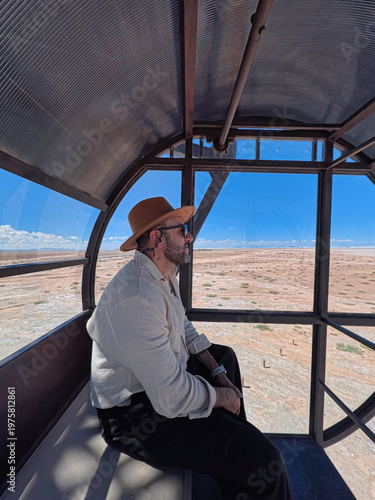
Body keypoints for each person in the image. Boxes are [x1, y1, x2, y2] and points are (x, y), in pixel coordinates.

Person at [87, 196, 293, 499]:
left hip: (155, 384)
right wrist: (220, 396)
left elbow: (184, 327)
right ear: (158, 238)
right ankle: (243, 454)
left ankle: (234, 453)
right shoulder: (138, 297)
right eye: (182, 230)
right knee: (267, 461)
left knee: (226, 357)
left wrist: (218, 372)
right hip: (134, 417)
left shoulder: (162, 275)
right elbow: (170, 398)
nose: (190, 237)